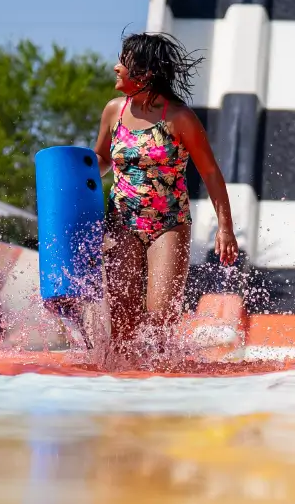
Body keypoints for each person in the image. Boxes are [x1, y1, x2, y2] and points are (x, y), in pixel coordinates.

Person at [92, 32, 238, 355]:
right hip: (122, 223)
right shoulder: (114, 111)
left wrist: (225, 227)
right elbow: (101, 159)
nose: (117, 68)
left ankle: (160, 389)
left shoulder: (179, 118)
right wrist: (78, 169)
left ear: (145, 74)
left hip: (168, 224)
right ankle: (122, 392)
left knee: (160, 321)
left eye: (124, 63)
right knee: (123, 324)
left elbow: (210, 172)